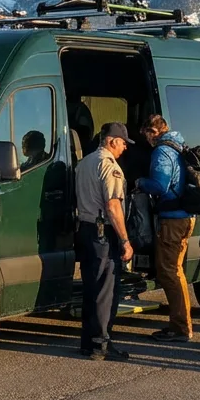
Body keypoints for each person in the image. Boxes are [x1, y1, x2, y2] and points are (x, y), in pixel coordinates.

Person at [73, 121, 135, 361]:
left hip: (85, 229)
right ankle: (102, 344)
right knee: (105, 290)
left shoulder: (85, 162)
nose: (125, 148)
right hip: (103, 232)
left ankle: (87, 342)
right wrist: (125, 240)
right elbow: (113, 205)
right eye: (122, 142)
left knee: (90, 287)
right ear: (111, 141)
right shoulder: (110, 167)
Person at [135, 114, 195, 343]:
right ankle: (180, 324)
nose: (146, 140)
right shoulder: (178, 146)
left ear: (153, 132)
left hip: (172, 220)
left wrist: (139, 182)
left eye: (146, 135)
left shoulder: (162, 151)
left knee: (169, 272)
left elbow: (159, 185)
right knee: (174, 271)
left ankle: (180, 327)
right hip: (183, 217)